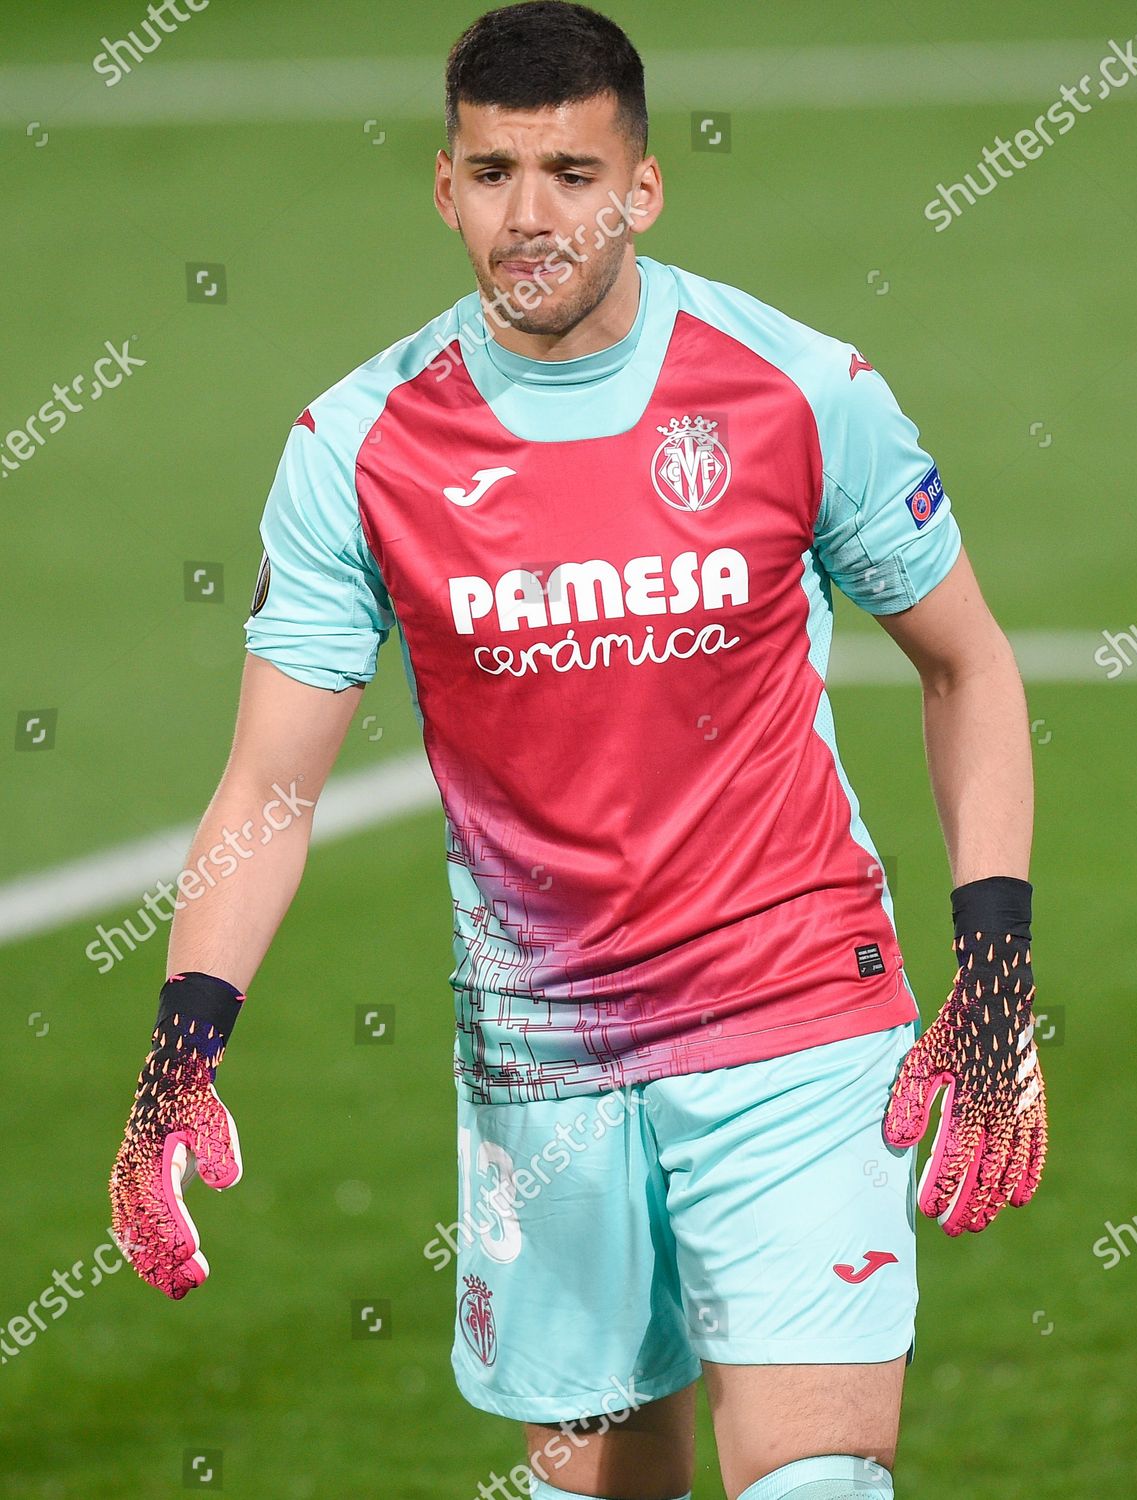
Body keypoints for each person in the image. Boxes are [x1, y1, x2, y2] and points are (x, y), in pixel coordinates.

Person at [109, 4, 1047, 1497]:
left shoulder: (795, 390)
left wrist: (994, 955)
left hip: (798, 1014)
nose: (528, 216)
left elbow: (971, 664)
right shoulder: (360, 447)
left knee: (817, 1483)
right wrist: (183, 1043)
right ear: (443, 185)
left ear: (643, 188)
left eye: (569, 172)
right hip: (546, 1060)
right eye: (492, 175)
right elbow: (271, 787)